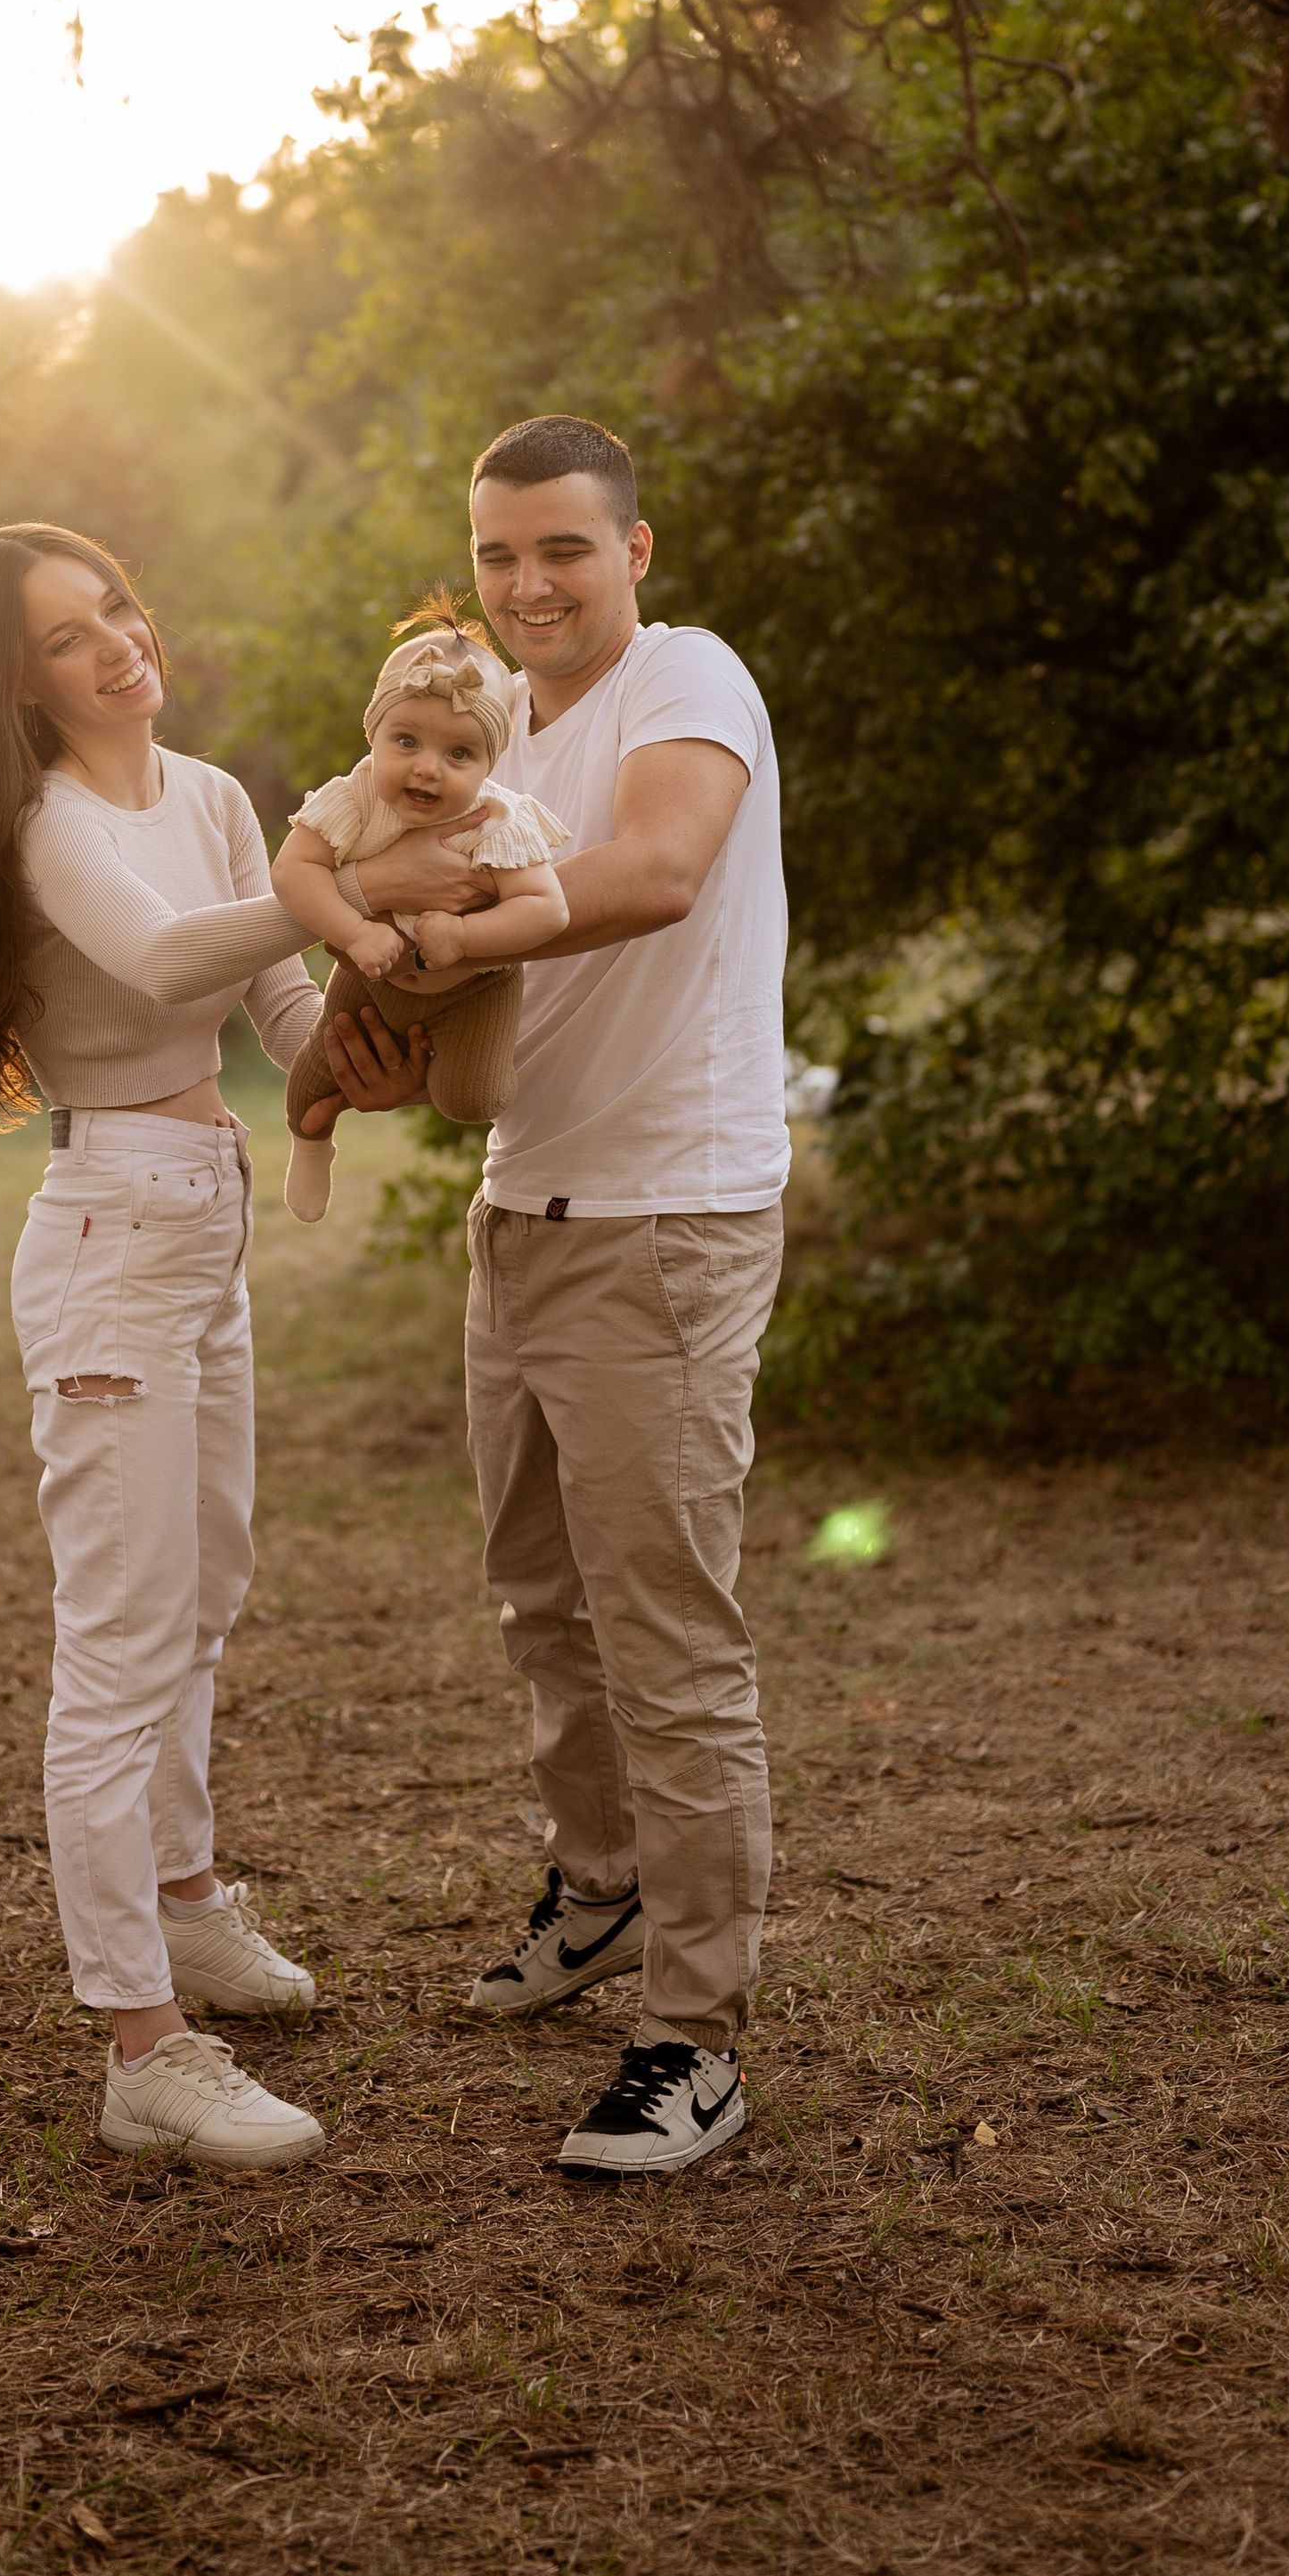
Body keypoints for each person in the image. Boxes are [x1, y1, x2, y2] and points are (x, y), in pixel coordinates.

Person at [0, 519, 412, 2173]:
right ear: (19, 679)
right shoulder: (48, 823)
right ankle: (143, 2044)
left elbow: (276, 1024)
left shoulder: (203, 796)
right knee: (121, 1644)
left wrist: (396, 1000)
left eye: (117, 605)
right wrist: (332, 885)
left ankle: (189, 1903)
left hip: (205, 1206)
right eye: (68, 635)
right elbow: (168, 959)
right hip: (111, 1230)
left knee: (208, 1582)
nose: (117, 642)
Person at [333, 419, 788, 2176]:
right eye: (499, 555)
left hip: (664, 1221)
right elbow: (368, 872)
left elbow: (656, 870)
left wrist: (441, 928)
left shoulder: (689, 681)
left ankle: (694, 2038)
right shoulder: (483, 720)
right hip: (519, 1206)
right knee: (539, 1598)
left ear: (635, 554)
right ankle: (598, 1891)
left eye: (564, 552)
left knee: (664, 1636)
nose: (529, 585)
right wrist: (391, 957)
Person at [271, 595, 568, 1224]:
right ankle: (311, 1146)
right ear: (372, 734)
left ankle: (440, 1064)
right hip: (370, 974)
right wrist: (352, 930)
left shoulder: (497, 819)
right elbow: (292, 872)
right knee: (307, 1087)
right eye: (405, 741)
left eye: (459, 754)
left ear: (492, 764)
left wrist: (465, 934)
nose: (427, 770)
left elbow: (546, 910)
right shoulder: (353, 797)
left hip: (471, 987)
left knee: (474, 1100)